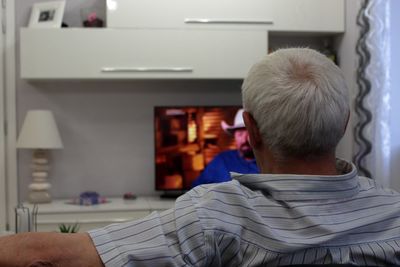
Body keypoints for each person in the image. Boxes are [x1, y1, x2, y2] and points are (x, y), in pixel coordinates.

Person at [2, 48, 400, 266]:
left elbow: (50, 255)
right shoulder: (393, 211)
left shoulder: (213, 213)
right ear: (346, 123)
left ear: (253, 128)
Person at [191, 108, 259, 187]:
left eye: (248, 134)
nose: (244, 140)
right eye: (240, 134)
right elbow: (196, 188)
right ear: (234, 136)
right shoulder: (221, 160)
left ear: (255, 136)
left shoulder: (267, 163)